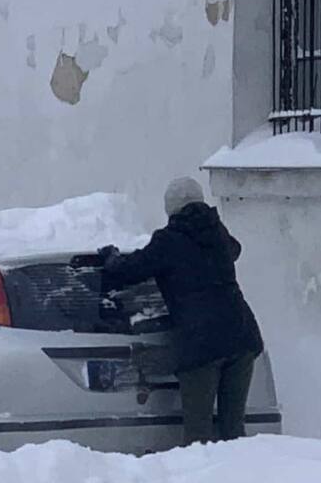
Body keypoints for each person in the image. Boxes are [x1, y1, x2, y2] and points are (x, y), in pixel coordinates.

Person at [97, 177, 264, 445]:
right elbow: (235, 249)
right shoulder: (218, 233)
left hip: (202, 345)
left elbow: (129, 271)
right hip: (242, 335)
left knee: (199, 438)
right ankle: (239, 481)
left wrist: (111, 259)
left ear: (170, 208)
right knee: (234, 433)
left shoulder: (169, 241)